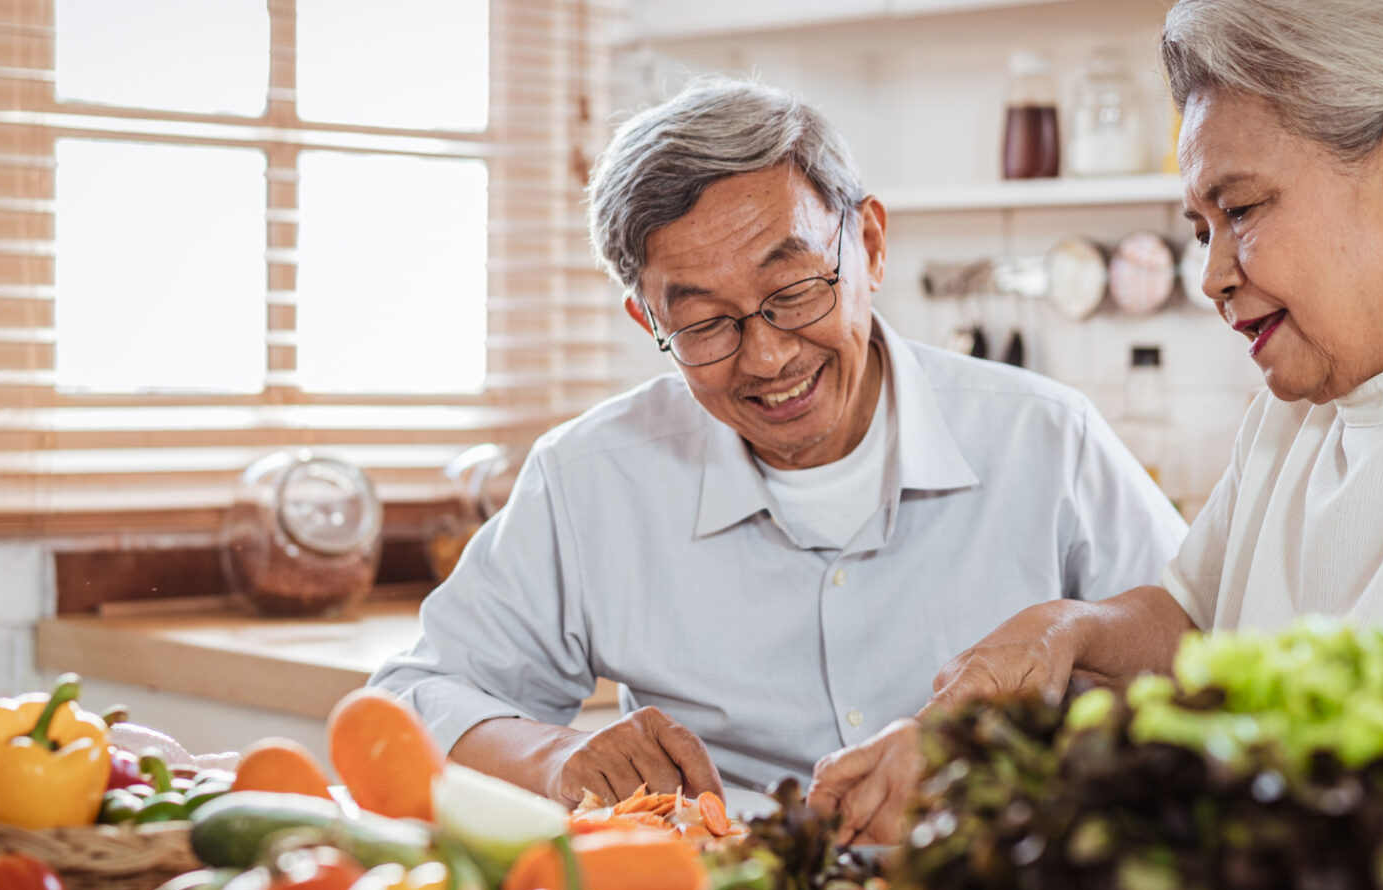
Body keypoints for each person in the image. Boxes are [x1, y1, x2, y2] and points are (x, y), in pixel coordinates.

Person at [810, 0, 1383, 843]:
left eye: (1240, 210)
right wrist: (1065, 630)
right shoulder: (1300, 411)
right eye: (1202, 229)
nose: (1211, 276)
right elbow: (1196, 628)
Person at [369, 76, 1186, 807]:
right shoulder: (591, 478)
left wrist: (1022, 731)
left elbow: (1205, 652)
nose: (768, 357)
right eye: (703, 323)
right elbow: (411, 697)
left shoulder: (1047, 436)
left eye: (793, 290)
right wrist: (556, 757)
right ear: (648, 322)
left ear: (867, 244)